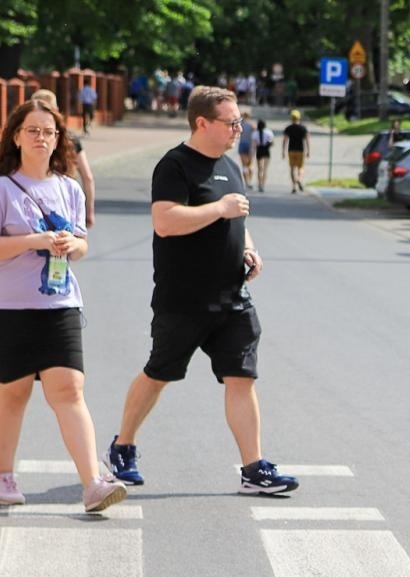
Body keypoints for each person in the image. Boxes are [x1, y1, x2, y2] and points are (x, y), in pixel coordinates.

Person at [105, 86, 298, 496]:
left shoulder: (232, 166)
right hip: (184, 300)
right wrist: (219, 209)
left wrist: (249, 248)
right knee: (160, 373)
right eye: (231, 123)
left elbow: (237, 219)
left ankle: (253, 468)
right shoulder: (174, 166)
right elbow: (166, 221)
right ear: (202, 123)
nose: (238, 130)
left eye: (239, 123)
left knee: (241, 377)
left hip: (232, 298)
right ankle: (123, 446)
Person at [0, 99, 126, 514]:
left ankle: (92, 483)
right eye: (33, 130)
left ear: (59, 141)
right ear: (16, 137)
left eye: (50, 132)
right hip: (8, 309)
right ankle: (3, 475)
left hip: (59, 304)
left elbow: (80, 244)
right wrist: (32, 241)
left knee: (69, 389)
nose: (42, 138)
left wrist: (75, 245)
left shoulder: (68, 188)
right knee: (14, 392)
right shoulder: (2, 188)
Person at [30, 90, 97, 227]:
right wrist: (89, 211)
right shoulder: (71, 140)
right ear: (56, 110)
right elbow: (87, 177)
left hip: (31, 203)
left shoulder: (26, 139)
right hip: (66, 205)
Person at [282, 110, 310, 193]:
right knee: (300, 168)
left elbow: (285, 140)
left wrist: (283, 151)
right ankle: (299, 179)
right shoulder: (303, 128)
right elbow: (307, 139)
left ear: (292, 118)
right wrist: (309, 150)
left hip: (291, 150)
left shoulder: (288, 128)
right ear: (299, 118)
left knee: (292, 168)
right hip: (300, 150)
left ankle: (294, 187)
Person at [251, 119, 273, 193]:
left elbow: (254, 145)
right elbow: (272, 142)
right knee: (265, 169)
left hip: (259, 151)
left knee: (260, 169)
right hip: (266, 150)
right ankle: (263, 184)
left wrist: (252, 153)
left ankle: (259, 184)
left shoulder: (255, 133)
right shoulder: (269, 132)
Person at [236, 115, 255, 181]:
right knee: (250, 165)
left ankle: (246, 182)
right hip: (250, 145)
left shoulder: (240, 125)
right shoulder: (252, 125)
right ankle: (250, 180)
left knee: (244, 166)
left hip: (242, 144)